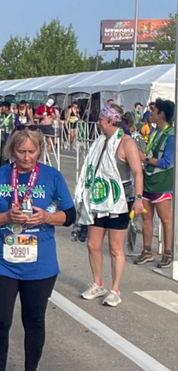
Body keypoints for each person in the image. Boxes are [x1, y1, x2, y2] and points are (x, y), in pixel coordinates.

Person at [0, 128, 76, 371]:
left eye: (32, 152)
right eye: (21, 152)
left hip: (40, 261)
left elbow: (70, 216)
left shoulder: (51, 176)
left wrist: (47, 216)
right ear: (12, 151)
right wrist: (6, 215)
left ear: (40, 151)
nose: (27, 157)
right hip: (3, 259)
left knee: (34, 319)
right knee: (0, 319)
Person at [74, 104, 144, 306]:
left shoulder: (126, 142)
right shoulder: (100, 142)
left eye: (101, 119)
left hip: (118, 202)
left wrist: (139, 198)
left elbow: (137, 172)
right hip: (97, 200)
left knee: (115, 248)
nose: (98, 122)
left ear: (112, 121)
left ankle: (115, 289)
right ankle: (97, 283)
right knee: (93, 245)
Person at [134, 98, 175, 268]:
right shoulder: (154, 131)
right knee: (146, 217)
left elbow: (167, 162)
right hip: (148, 180)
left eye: (153, 110)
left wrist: (146, 159)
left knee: (165, 219)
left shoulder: (171, 135)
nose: (150, 113)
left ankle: (168, 252)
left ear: (162, 114)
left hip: (162, 182)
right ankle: (147, 250)